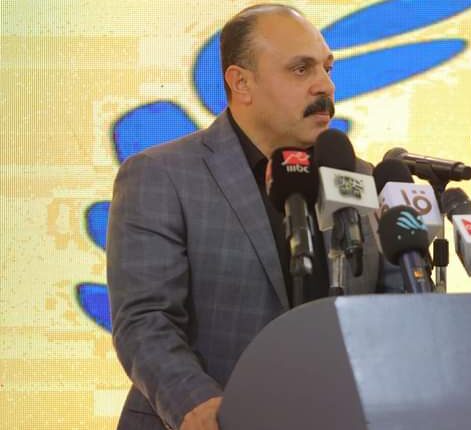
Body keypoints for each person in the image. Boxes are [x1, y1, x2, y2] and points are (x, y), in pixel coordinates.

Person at [107, 4, 401, 430]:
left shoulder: (357, 177)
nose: (325, 85)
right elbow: (145, 320)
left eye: (327, 68)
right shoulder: (162, 175)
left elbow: (393, 307)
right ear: (241, 83)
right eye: (301, 69)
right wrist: (198, 404)